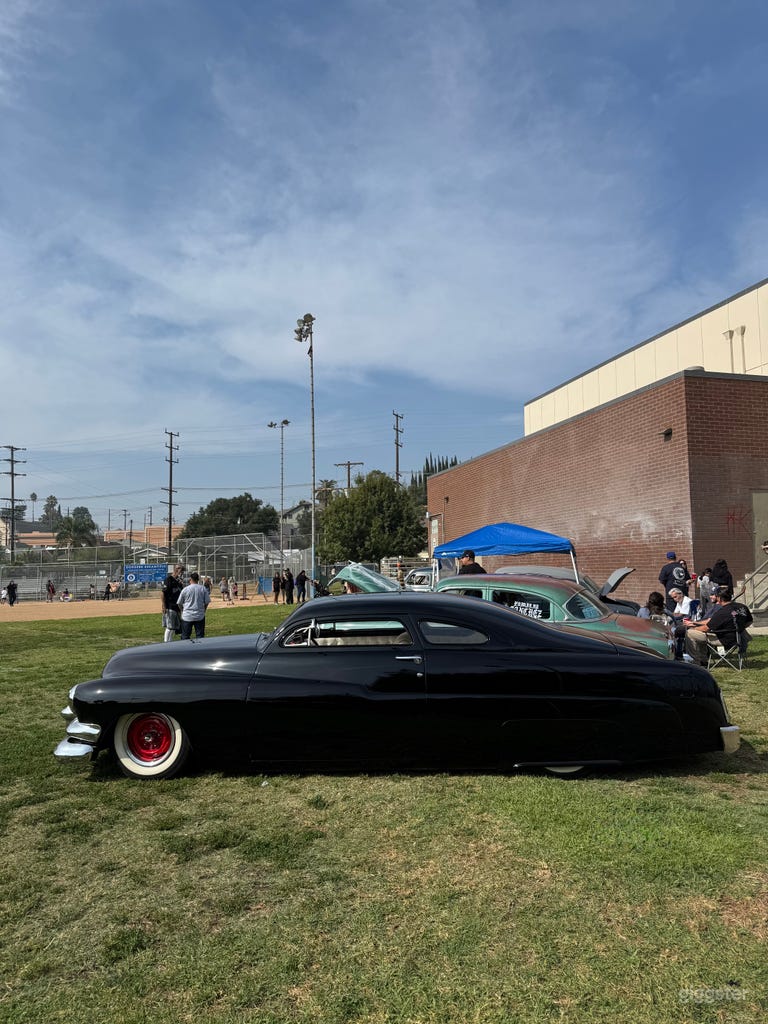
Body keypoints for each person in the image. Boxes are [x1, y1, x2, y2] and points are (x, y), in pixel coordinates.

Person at [683, 587, 750, 666]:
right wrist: (739, 629)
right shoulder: (742, 607)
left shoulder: (722, 612)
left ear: (719, 598)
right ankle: (703, 659)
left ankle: (696, 661)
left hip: (723, 640)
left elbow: (706, 628)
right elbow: (749, 622)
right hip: (740, 638)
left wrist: (694, 627)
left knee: (690, 633)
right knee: (699, 634)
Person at [177, 571, 211, 639]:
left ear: (190, 579)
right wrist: (204, 610)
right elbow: (207, 602)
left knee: (185, 637)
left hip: (187, 616)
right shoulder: (202, 588)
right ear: (198, 580)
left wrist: (182, 610)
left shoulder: (185, 589)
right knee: (200, 637)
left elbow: (179, 603)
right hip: (199, 616)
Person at [161, 563, 186, 643]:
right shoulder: (168, 580)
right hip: (170, 606)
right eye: (181, 570)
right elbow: (163, 593)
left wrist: (181, 584)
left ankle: (170, 642)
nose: (182, 572)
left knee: (174, 627)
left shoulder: (178, 581)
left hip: (177, 606)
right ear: (176, 569)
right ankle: (166, 642)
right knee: (169, 626)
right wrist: (164, 605)